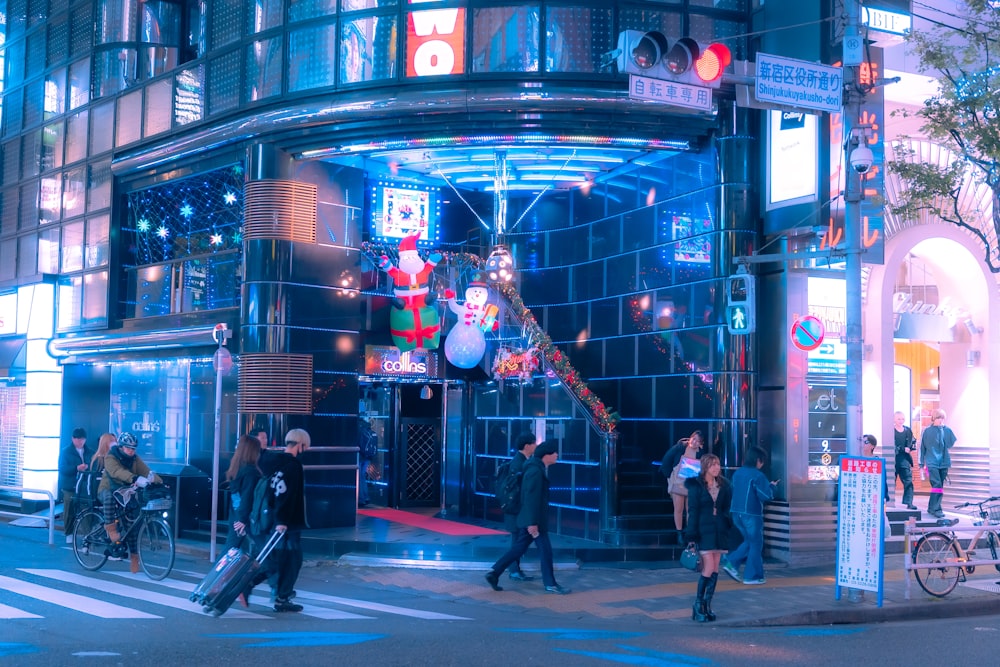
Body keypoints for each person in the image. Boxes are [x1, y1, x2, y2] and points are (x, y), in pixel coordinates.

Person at [484, 440, 571, 595]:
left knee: (518, 549)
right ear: (546, 455)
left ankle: (494, 572)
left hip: (531, 520)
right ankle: (550, 584)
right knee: (545, 551)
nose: (557, 455)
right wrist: (532, 523)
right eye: (555, 452)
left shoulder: (536, 469)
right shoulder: (535, 471)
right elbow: (530, 498)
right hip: (533, 522)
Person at [241, 428, 309, 612]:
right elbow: (286, 495)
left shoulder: (276, 462)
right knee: (291, 560)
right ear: (301, 444)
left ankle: (259, 588)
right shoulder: (293, 465)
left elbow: (274, 492)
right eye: (306, 445)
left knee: (279, 559)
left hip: (271, 519)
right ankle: (279, 597)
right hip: (287, 522)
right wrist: (282, 520)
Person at [98, 432, 162, 572]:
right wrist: (134, 479)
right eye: (128, 448)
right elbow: (117, 472)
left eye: (133, 449)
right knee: (108, 498)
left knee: (132, 523)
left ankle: (134, 558)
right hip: (108, 488)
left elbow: (146, 471)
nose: (131, 451)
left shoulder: (134, 459)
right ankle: (112, 530)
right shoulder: (111, 456)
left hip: (125, 492)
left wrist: (158, 481)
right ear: (121, 447)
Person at [684, 453, 732, 622]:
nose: (717, 468)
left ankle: (707, 604)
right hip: (703, 531)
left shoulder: (724, 485)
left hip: (719, 531)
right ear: (705, 467)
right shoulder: (696, 487)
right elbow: (693, 511)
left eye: (718, 464)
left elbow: (727, 507)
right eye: (713, 465)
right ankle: (698, 604)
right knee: (709, 567)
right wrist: (691, 536)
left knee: (716, 568)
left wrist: (726, 520)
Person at [721, 446, 776, 586]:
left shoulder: (738, 473)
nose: (762, 464)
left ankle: (731, 563)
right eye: (762, 461)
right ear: (758, 460)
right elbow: (765, 495)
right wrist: (772, 487)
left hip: (736, 513)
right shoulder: (758, 475)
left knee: (750, 542)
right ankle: (752, 576)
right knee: (756, 543)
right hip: (751, 514)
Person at [503, 432, 538, 582]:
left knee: (518, 540)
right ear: (527, 446)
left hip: (516, 510)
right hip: (516, 510)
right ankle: (513, 570)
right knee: (517, 540)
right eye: (534, 443)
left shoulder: (522, 460)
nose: (536, 445)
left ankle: (513, 570)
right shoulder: (519, 463)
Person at [223, 435, 262, 552]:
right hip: (243, 518)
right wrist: (242, 519)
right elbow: (248, 497)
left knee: (232, 551)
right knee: (230, 553)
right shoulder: (251, 472)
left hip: (235, 515)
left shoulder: (236, 468)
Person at [661, 430, 705, 531]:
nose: (694, 442)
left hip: (691, 484)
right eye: (694, 439)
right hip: (678, 482)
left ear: (701, 443)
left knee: (690, 510)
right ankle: (679, 533)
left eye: (698, 441)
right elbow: (666, 460)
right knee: (678, 509)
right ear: (690, 437)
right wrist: (670, 476)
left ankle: (690, 533)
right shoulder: (680, 447)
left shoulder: (701, 452)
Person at [58, 428, 95, 543]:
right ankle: (69, 533)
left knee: (86, 510)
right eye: (77, 439)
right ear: (73, 439)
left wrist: (88, 467)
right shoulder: (66, 451)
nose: (80, 442)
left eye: (82, 439)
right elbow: (62, 468)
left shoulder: (90, 451)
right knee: (69, 509)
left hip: (85, 486)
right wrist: (76, 468)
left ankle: (88, 535)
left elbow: (95, 465)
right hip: (70, 485)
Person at [920, 409, 956, 520]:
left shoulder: (947, 430)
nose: (940, 420)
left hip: (944, 462)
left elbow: (950, 444)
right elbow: (922, 448)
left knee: (939, 487)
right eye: (938, 418)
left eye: (942, 418)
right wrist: (921, 463)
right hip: (932, 463)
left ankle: (932, 507)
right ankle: (937, 509)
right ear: (934, 418)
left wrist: (943, 431)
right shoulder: (926, 431)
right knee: (937, 486)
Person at [893, 411, 918, 510]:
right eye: (899, 419)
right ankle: (889, 502)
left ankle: (909, 502)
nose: (901, 421)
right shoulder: (891, 430)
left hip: (904, 460)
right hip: (894, 459)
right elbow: (891, 445)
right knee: (891, 482)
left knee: (908, 481)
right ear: (894, 419)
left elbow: (913, 442)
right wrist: (902, 449)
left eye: (902, 419)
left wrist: (910, 448)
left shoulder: (907, 430)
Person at [357, 419, 377, 507]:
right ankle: (366, 497)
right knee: (362, 477)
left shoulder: (359, 428)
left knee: (359, 477)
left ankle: (361, 499)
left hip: (360, 456)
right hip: (368, 457)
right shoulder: (369, 430)